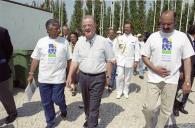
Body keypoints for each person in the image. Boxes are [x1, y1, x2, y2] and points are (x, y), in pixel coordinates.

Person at [141, 10, 194, 128]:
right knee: (148, 108)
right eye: (163, 23)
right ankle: (149, 125)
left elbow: (187, 60)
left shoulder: (182, 37)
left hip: (172, 80)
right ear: (160, 21)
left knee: (166, 110)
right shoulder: (153, 37)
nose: (165, 26)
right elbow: (144, 56)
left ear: (175, 21)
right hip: (154, 79)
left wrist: (187, 81)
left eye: (169, 24)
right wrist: (155, 69)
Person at [66, 15, 114, 128]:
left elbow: (109, 60)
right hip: (83, 77)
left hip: (98, 78)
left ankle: (92, 124)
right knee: (87, 103)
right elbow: (74, 61)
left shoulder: (103, 41)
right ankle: (90, 118)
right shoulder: (79, 42)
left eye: (89, 25)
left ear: (95, 26)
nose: (87, 27)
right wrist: (69, 76)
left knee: (94, 105)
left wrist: (108, 77)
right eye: (84, 26)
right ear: (82, 28)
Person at [27, 19, 71, 128]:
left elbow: (70, 59)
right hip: (44, 79)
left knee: (58, 99)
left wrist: (71, 75)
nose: (59, 30)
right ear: (48, 30)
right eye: (56, 28)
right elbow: (35, 59)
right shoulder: (41, 41)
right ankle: (50, 122)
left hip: (59, 78)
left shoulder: (64, 42)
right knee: (46, 103)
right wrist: (31, 73)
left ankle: (63, 108)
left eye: (59, 28)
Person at [113, 21, 140, 99]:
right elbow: (114, 48)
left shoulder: (135, 39)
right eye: (125, 27)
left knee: (127, 77)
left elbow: (137, 50)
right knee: (119, 77)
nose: (126, 29)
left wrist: (136, 60)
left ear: (131, 29)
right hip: (120, 61)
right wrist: (115, 58)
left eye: (128, 27)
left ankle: (125, 91)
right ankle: (119, 92)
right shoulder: (119, 38)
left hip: (129, 61)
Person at [173, 25, 195, 116]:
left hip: (192, 70)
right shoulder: (184, 39)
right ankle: (175, 107)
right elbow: (179, 55)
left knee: (187, 89)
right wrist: (181, 70)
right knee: (180, 89)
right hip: (184, 69)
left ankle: (182, 106)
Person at [0, 26, 17, 124]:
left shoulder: (2, 31)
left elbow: (9, 49)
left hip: (1, 67)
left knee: (4, 93)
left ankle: (12, 112)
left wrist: (3, 60)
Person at [68, 32, 79, 96]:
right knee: (71, 75)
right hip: (70, 63)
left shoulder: (79, 44)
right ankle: (73, 89)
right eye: (71, 37)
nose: (72, 38)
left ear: (76, 38)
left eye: (74, 37)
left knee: (77, 76)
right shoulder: (68, 45)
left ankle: (75, 85)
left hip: (77, 63)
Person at [106, 27, 117, 92]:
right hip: (106, 60)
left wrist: (116, 59)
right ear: (108, 34)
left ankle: (110, 86)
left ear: (115, 34)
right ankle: (105, 84)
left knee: (113, 73)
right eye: (110, 33)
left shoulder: (118, 40)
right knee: (106, 73)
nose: (111, 34)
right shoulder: (105, 40)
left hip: (115, 60)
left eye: (112, 33)